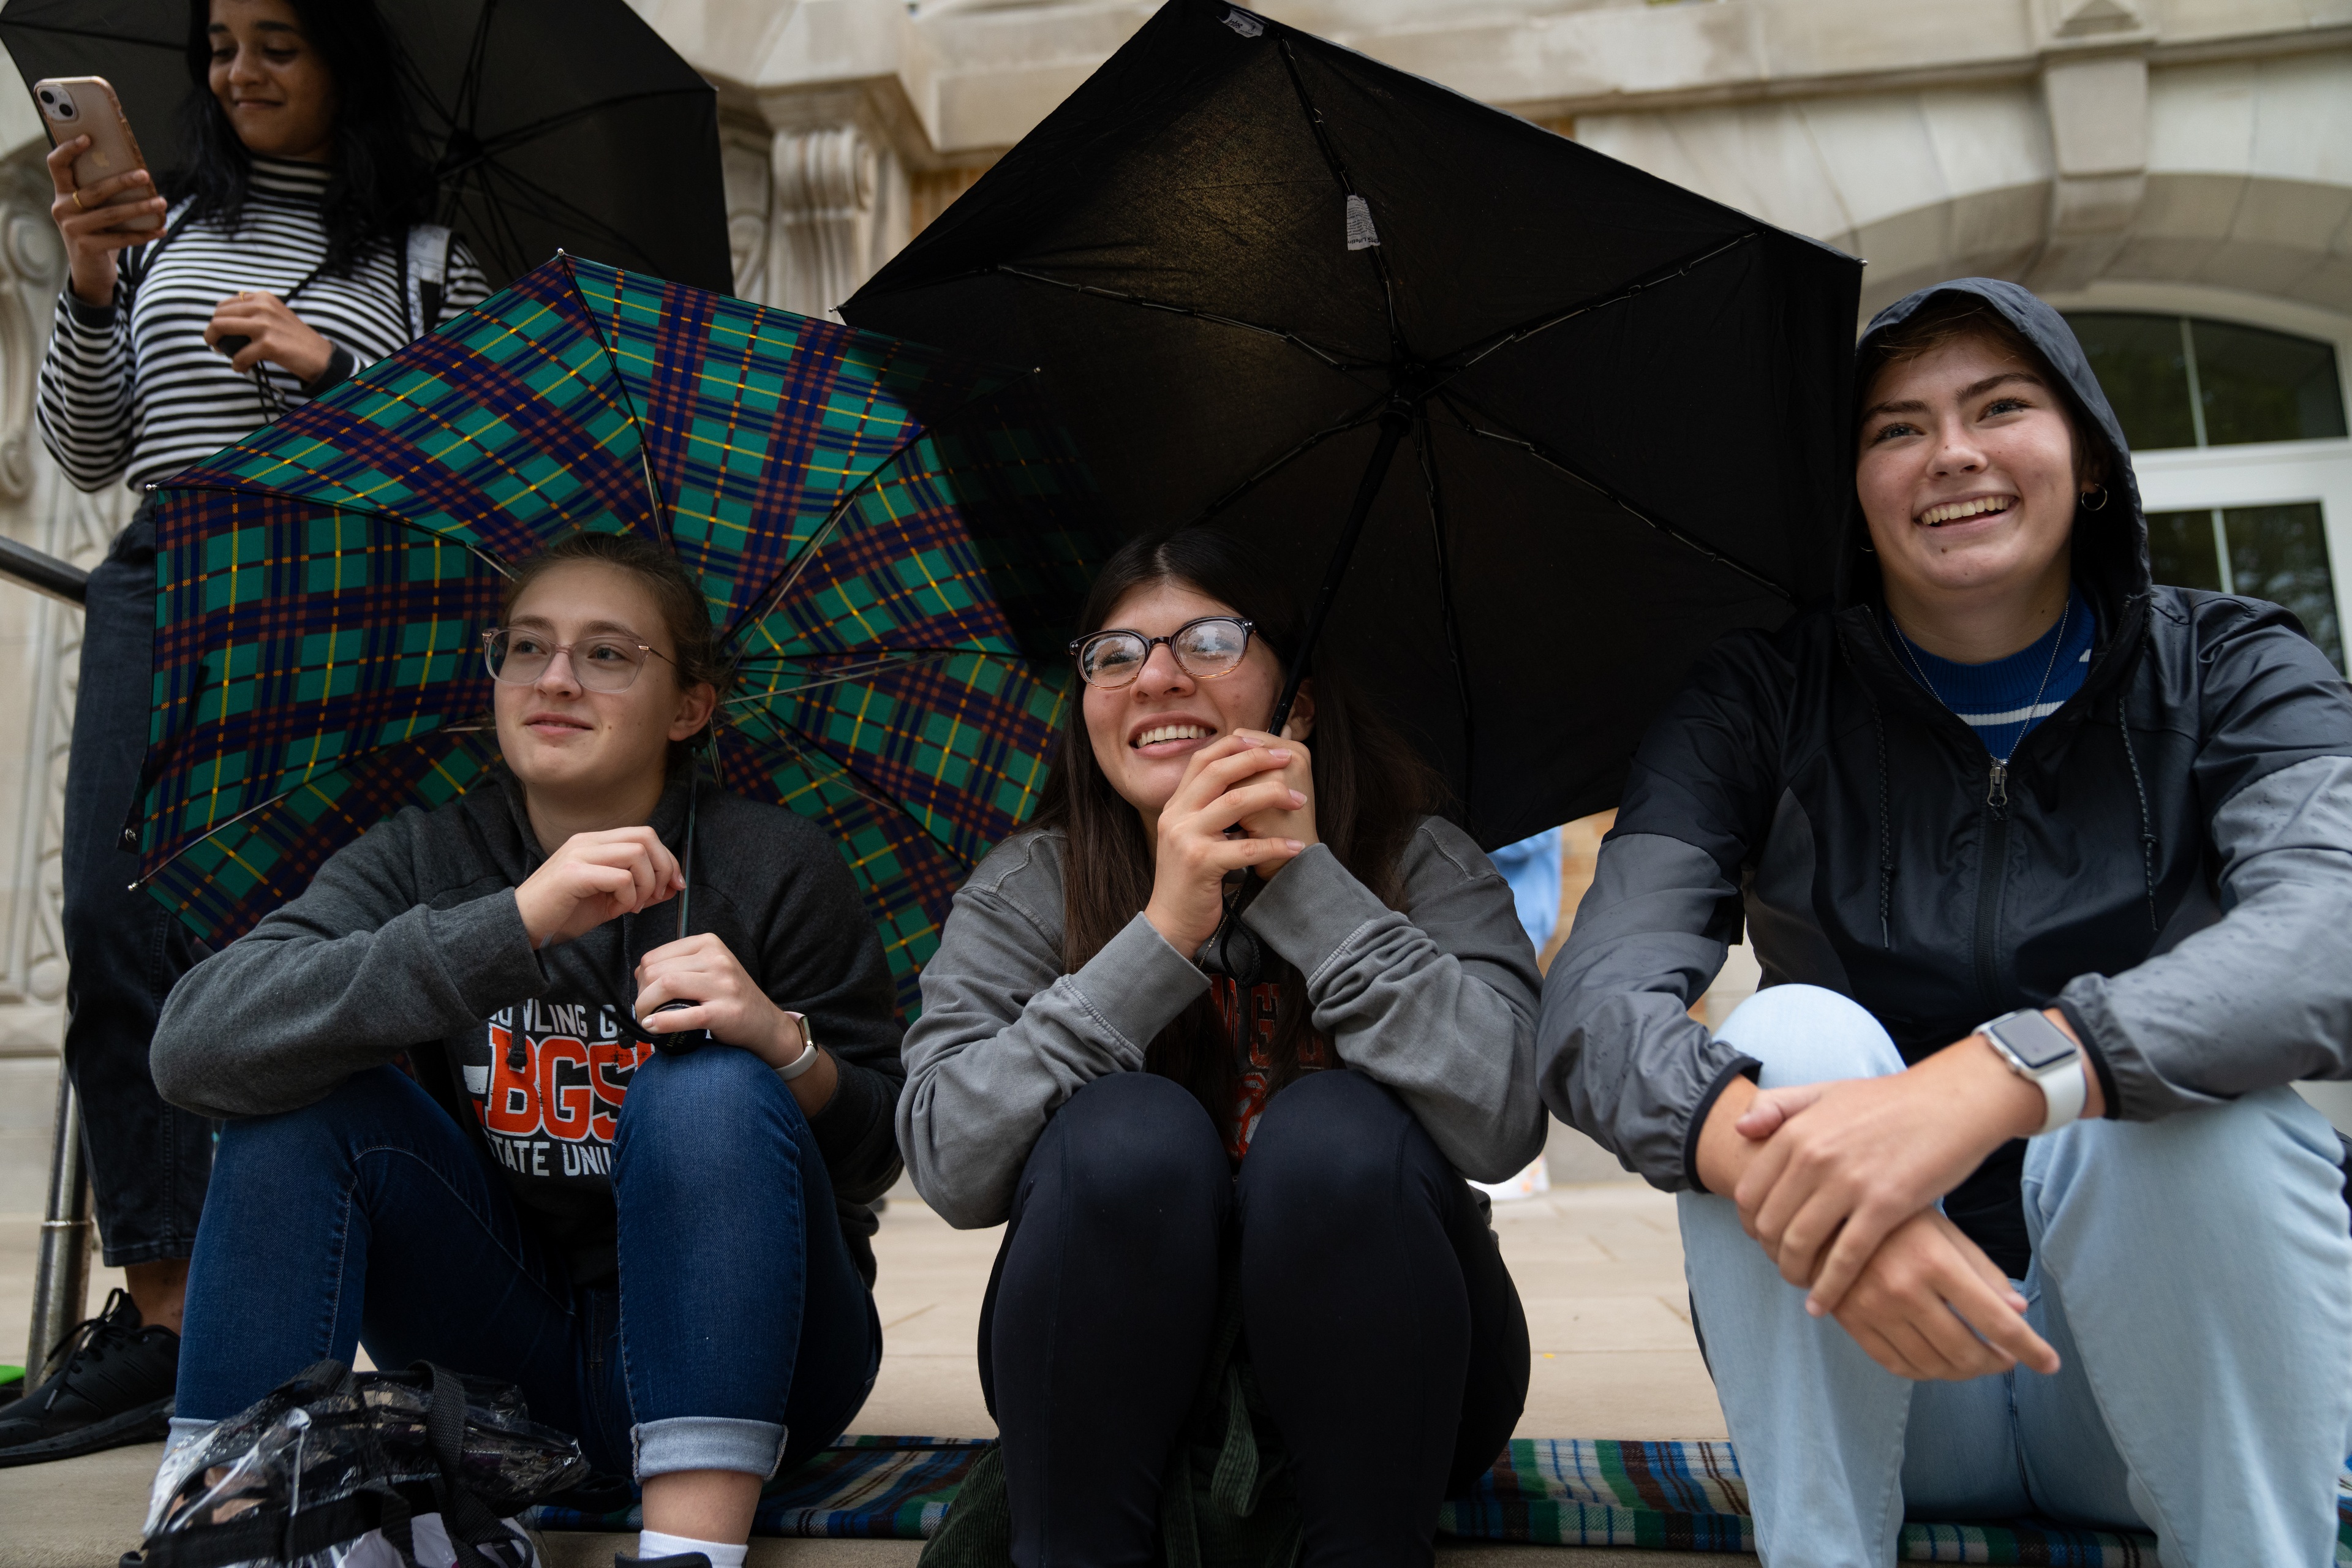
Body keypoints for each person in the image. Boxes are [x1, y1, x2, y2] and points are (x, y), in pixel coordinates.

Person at [1540, 278, 2352, 1566]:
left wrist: (2014, 1070)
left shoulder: (2229, 666)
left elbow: (2330, 930)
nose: (1954, 453)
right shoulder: (1760, 699)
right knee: (1790, 1040)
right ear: (1854, 493)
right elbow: (1595, 999)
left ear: (2091, 457)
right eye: (1897, 428)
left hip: (2152, 1375)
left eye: (2002, 407)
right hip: (1885, 1357)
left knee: (2191, 1116)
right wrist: (1800, 1170)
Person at [143, 531, 905, 1568]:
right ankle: (224, 1528)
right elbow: (194, 1048)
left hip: (767, 1359)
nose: (555, 679)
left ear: (690, 706)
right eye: (527, 646)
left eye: (608, 653)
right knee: (299, 1097)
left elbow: (877, 1152)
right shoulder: (426, 855)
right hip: (504, 1366)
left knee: (708, 1089)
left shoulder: (778, 867)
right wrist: (513, 925)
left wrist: (781, 1045)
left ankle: (690, 1554)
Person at [6, 0, 489, 1463]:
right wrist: (94, 284)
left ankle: (372, 1302)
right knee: (114, 910)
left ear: (345, 58)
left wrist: (332, 370)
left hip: (338, 596)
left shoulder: (428, 258)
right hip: (168, 567)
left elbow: (475, 465)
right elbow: (89, 449)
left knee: (328, 937)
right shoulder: (160, 234)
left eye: (278, 42)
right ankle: (164, 1315)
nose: (239, 72)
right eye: (221, 43)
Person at [900, 527, 1547, 1568]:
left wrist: (1305, 885)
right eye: (1114, 655)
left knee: (1334, 1129)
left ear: (1299, 703)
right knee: (1127, 1132)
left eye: (1209, 641)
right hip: (1107, 1393)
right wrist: (1159, 937)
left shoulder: (1421, 861)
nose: (1156, 678)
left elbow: (1507, 1120)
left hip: (1405, 1378)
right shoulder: (1030, 885)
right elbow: (950, 1165)